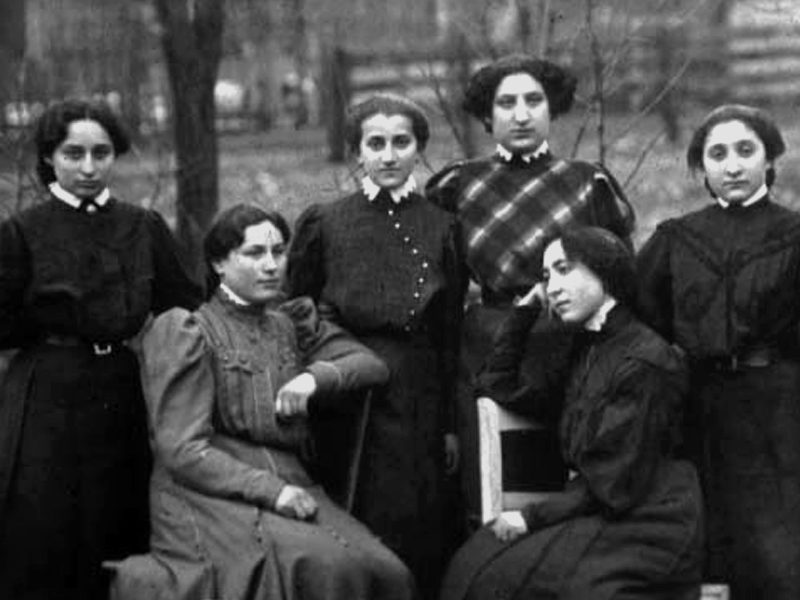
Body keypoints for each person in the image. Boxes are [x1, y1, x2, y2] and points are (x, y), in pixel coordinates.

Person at [110, 204, 415, 600]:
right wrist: (272, 491)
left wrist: (312, 378)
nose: (271, 265)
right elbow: (182, 450)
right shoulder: (189, 331)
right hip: (208, 495)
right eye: (254, 254)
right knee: (327, 567)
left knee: (389, 571)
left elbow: (371, 366)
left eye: (278, 252)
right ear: (219, 263)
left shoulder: (291, 321)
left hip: (293, 479)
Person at [0, 98, 203, 600]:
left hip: (120, 388)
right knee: (45, 529)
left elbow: (185, 306)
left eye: (101, 153)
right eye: (73, 154)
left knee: (117, 522)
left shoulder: (142, 226)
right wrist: (56, 322)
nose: (88, 167)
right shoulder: (22, 231)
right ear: (50, 158)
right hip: (45, 391)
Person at [425, 53, 635, 529]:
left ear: (552, 109)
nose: (521, 114)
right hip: (486, 347)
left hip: (568, 346)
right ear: (487, 116)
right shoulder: (459, 185)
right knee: (491, 480)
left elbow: (621, 279)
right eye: (506, 103)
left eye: (533, 101)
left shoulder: (586, 182)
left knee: (566, 474)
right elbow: (443, 288)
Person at [441, 227, 703, 600]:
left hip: (650, 518)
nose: (553, 287)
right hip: (602, 505)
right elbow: (497, 385)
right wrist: (524, 312)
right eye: (547, 277)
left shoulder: (645, 359)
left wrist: (531, 517)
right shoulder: (586, 347)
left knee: (506, 579)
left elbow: (615, 479)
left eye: (565, 269)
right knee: (476, 559)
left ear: (605, 274)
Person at [287, 93, 464, 598]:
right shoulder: (326, 221)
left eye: (401, 143)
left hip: (417, 394)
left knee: (421, 518)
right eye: (376, 143)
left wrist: (448, 423)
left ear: (419, 150)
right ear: (357, 152)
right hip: (348, 389)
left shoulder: (441, 226)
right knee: (357, 512)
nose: (389, 155)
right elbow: (297, 311)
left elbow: (448, 331)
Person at [636, 103, 800, 599]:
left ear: (770, 161)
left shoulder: (794, 235)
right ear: (700, 168)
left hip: (779, 412)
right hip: (698, 410)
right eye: (718, 154)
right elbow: (640, 322)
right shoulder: (676, 239)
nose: (732, 166)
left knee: (777, 553)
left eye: (746, 151)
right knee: (705, 552)